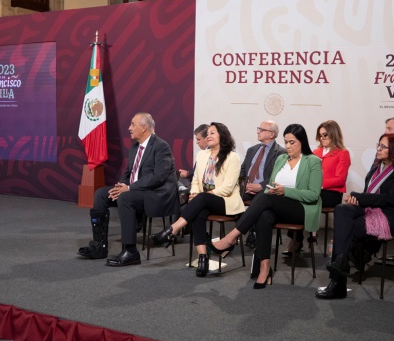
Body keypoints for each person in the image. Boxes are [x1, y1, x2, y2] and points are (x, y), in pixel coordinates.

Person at [209, 124, 322, 289]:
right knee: (264, 215)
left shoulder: (313, 161)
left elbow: (313, 195)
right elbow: (270, 184)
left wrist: (285, 191)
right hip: (278, 205)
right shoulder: (281, 159)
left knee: (265, 198)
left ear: (302, 142)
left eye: (292, 142)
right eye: (286, 142)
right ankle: (264, 268)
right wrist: (276, 190)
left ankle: (231, 237)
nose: (288, 146)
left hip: (301, 209)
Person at [316, 133, 394, 299]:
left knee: (344, 230)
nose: (378, 148)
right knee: (341, 209)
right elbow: (369, 194)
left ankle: (337, 283)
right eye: (379, 144)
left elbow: (392, 199)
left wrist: (359, 197)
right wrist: (357, 199)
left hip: (390, 216)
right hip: (369, 208)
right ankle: (341, 262)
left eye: (383, 146)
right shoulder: (377, 166)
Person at [77, 112, 178, 267]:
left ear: (144, 128)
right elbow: (129, 172)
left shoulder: (161, 146)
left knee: (125, 198)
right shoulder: (135, 147)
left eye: (133, 124)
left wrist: (128, 188)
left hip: (156, 194)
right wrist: (120, 186)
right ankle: (99, 245)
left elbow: (158, 177)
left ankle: (130, 251)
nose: (129, 128)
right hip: (136, 189)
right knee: (101, 194)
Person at [150, 123, 243, 277]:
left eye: (213, 133)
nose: (209, 136)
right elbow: (196, 181)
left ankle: (173, 229)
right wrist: (195, 194)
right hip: (204, 200)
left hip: (225, 202)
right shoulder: (202, 155)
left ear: (222, 136)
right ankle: (202, 258)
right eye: (208, 134)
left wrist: (201, 196)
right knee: (198, 212)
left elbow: (227, 188)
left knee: (201, 200)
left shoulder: (232, 157)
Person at [303, 120, 350, 253]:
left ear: (333, 134)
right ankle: (298, 239)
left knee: (307, 197)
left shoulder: (342, 153)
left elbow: (340, 179)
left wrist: (319, 184)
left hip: (332, 193)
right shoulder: (315, 152)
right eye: (320, 135)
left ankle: (306, 236)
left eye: (325, 135)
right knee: (297, 197)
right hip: (315, 191)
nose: (322, 138)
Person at [240, 120, 283, 202]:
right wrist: (244, 185)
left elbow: (278, 175)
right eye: (258, 129)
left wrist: (260, 186)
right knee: (229, 199)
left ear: (272, 134)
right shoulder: (251, 150)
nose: (258, 132)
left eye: (261, 130)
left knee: (259, 202)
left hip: (264, 190)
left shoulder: (281, 152)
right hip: (246, 189)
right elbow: (243, 170)